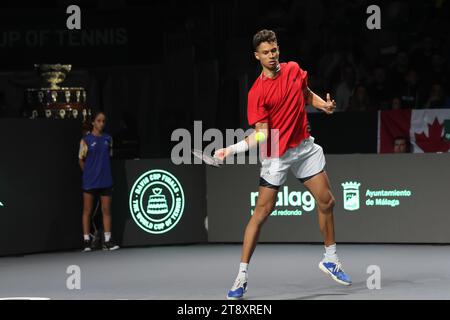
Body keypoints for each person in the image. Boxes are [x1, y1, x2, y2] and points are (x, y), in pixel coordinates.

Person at [214, 30, 351, 300]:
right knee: (262, 213)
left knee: (327, 201)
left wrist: (323, 105)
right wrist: (232, 149)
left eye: (274, 50)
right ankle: (241, 275)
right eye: (266, 52)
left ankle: (331, 259)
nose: (272, 56)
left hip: (303, 147)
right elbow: (262, 133)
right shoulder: (257, 92)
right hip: (276, 155)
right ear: (257, 56)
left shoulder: (293, 69)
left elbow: (305, 93)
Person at [78, 111, 119, 251]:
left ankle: (107, 241)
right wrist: (89, 173)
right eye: (99, 121)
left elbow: (109, 157)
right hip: (90, 182)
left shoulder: (108, 139)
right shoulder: (86, 140)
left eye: (103, 121)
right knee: (87, 210)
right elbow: (81, 160)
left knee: (106, 210)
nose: (101, 123)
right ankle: (86, 241)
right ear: (93, 123)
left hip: (106, 180)